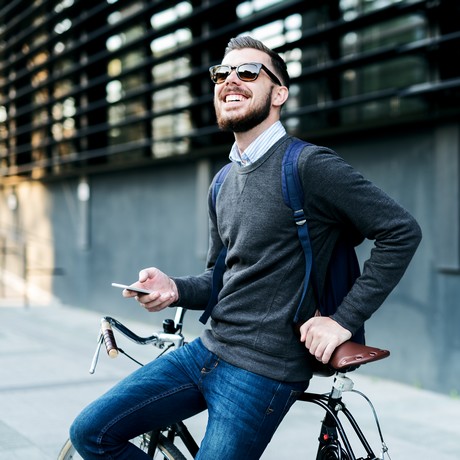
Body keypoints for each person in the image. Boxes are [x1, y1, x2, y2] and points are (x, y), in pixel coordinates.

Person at [70, 36, 421, 459]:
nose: (231, 79)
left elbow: (401, 231)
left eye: (248, 72)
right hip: (204, 351)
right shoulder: (222, 182)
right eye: (222, 73)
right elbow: (221, 279)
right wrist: (174, 289)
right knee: (90, 432)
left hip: (263, 372)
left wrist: (343, 321)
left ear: (279, 94)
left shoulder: (308, 165)